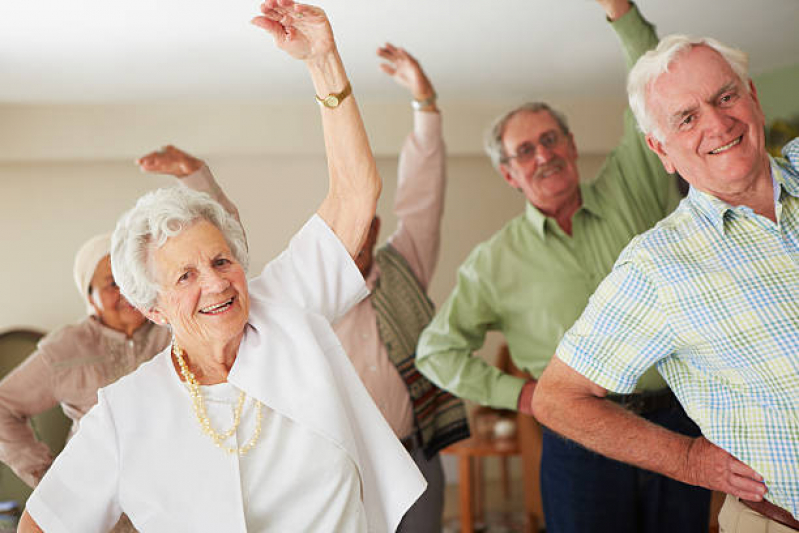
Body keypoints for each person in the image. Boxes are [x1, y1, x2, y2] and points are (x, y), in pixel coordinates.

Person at [19, 2, 425, 532]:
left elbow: (354, 197)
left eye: (220, 260)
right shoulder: (126, 411)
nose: (214, 282)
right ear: (153, 309)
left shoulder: (286, 306)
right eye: (185, 276)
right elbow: (42, 524)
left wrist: (323, 62)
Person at [416, 1, 710, 531]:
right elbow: (436, 351)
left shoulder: (633, 186)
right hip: (580, 440)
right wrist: (525, 396)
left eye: (551, 139)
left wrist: (620, 11)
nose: (543, 155)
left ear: (572, 146)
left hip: (676, 424)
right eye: (525, 150)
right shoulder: (493, 262)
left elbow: (651, 80)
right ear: (509, 175)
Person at [532, 29, 799, 532]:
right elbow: (557, 398)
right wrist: (690, 459)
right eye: (687, 118)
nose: (718, 123)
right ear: (662, 149)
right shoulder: (658, 266)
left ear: (753, 98)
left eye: (726, 96)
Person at [0, 145, 234, 491]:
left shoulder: (174, 326)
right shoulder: (66, 347)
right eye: (113, 284)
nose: (127, 294)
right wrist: (48, 480)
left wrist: (194, 175)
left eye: (133, 283)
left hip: (180, 491)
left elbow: (223, 237)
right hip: (99, 508)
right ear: (89, 296)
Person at [334, 43, 468, 533]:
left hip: (415, 458)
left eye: (361, 225)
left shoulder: (402, 265)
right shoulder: (314, 296)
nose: (353, 235)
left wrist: (425, 105)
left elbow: (422, 193)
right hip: (342, 470)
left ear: (374, 228)